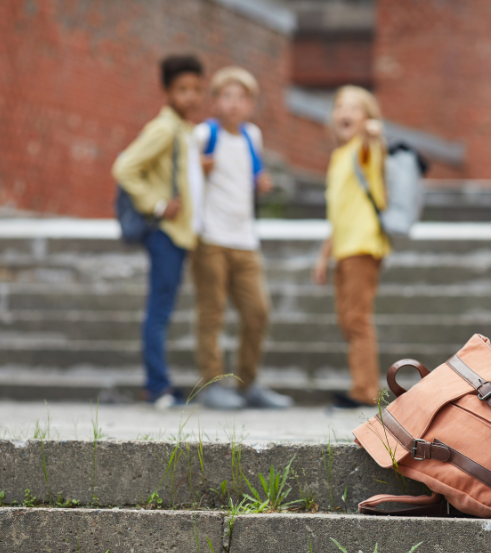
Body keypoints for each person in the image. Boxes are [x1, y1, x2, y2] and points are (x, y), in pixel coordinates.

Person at [191, 66, 293, 410]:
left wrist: (261, 181)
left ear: (250, 104)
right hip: (211, 239)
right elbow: (187, 178)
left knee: (257, 312)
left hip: (246, 240)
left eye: (242, 97)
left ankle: (248, 383)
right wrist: (197, 169)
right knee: (212, 313)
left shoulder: (253, 135)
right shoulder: (204, 134)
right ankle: (212, 384)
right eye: (227, 96)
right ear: (216, 101)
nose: (234, 104)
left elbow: (251, 173)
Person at [113, 55, 205, 409]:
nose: (191, 96)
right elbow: (124, 167)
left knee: (163, 307)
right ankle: (157, 386)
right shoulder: (164, 128)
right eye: (183, 89)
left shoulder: (184, 129)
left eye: (197, 89)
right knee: (159, 309)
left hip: (181, 234)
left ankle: (159, 383)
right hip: (165, 233)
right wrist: (156, 204)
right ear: (166, 91)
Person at [312, 85, 389, 409]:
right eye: (339, 106)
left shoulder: (363, 149)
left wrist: (373, 132)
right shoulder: (339, 155)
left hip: (362, 245)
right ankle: (362, 385)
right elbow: (339, 212)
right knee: (348, 320)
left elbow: (375, 143)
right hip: (343, 248)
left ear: (367, 117)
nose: (345, 112)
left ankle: (364, 390)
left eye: (354, 108)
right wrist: (324, 255)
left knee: (357, 319)